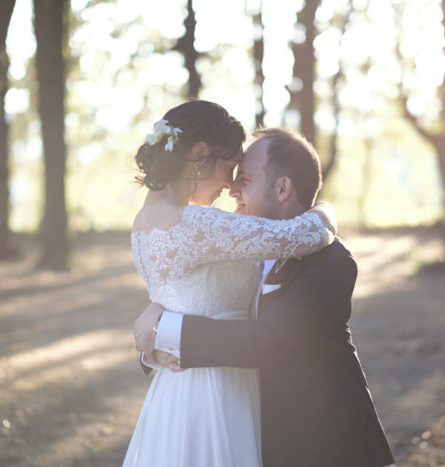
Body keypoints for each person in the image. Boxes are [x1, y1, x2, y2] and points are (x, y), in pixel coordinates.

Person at [134, 128, 395, 467]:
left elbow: (269, 342)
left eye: (244, 179)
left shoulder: (331, 263)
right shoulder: (235, 247)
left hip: (325, 442)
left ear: (282, 188)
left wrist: (166, 328)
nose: (232, 190)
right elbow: (203, 301)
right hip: (243, 425)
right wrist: (152, 335)